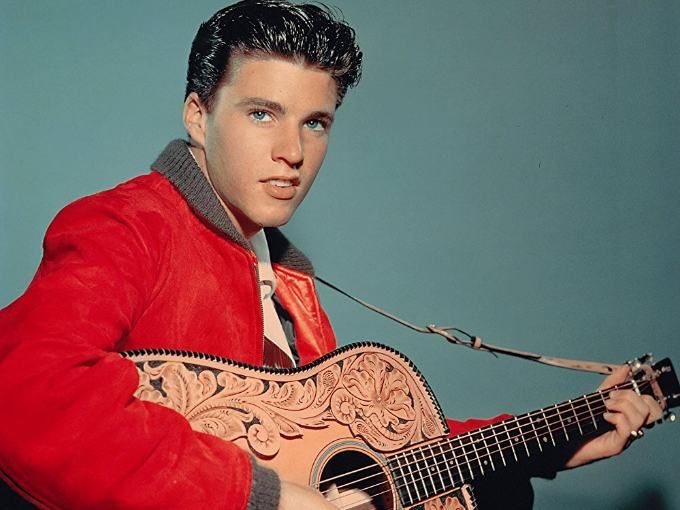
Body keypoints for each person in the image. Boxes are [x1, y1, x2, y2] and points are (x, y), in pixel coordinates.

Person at [0, 1, 662, 509]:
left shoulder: (287, 278)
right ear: (199, 115)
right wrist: (272, 499)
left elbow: (376, 451)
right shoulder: (129, 226)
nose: (293, 150)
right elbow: (24, 396)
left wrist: (557, 440)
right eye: (263, 113)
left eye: (315, 122)